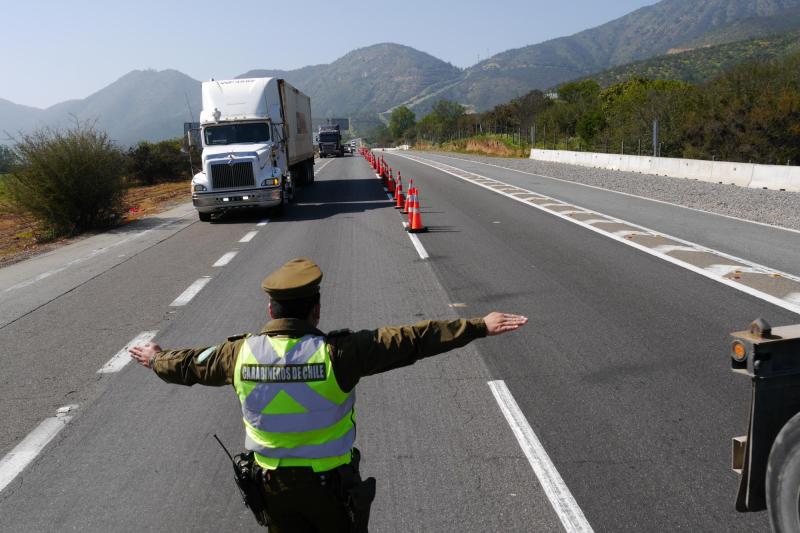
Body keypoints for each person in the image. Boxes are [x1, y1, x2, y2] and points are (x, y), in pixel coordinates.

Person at [130, 257, 527, 532]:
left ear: (270, 310)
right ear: (315, 311)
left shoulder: (238, 354)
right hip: (330, 489)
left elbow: (188, 365)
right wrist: (477, 325)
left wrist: (155, 358)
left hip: (273, 489)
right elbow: (413, 340)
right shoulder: (340, 354)